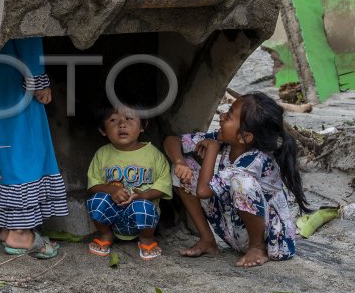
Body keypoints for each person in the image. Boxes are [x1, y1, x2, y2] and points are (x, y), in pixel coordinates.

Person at [164, 92, 310, 268]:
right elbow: (172, 141)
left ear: (245, 136)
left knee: (241, 182)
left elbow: (203, 192)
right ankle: (207, 239)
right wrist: (180, 162)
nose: (222, 116)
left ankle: (257, 247)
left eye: (229, 115)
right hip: (234, 229)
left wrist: (212, 149)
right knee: (183, 169)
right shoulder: (227, 140)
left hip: (272, 239)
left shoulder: (256, 159)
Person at [0, 37, 66, 258]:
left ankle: (8, 227)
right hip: (18, 77)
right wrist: (37, 77)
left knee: (4, 147)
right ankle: (20, 233)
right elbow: (26, 30)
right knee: (25, 147)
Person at [85, 104, 173, 261]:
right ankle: (106, 234)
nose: (122, 124)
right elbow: (93, 184)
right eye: (113, 120)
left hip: (142, 218)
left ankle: (146, 239)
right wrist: (111, 190)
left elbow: (164, 184)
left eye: (129, 118)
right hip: (112, 217)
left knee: (145, 205)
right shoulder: (102, 154)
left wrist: (144, 195)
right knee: (95, 201)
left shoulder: (153, 155)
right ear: (103, 130)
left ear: (142, 126)